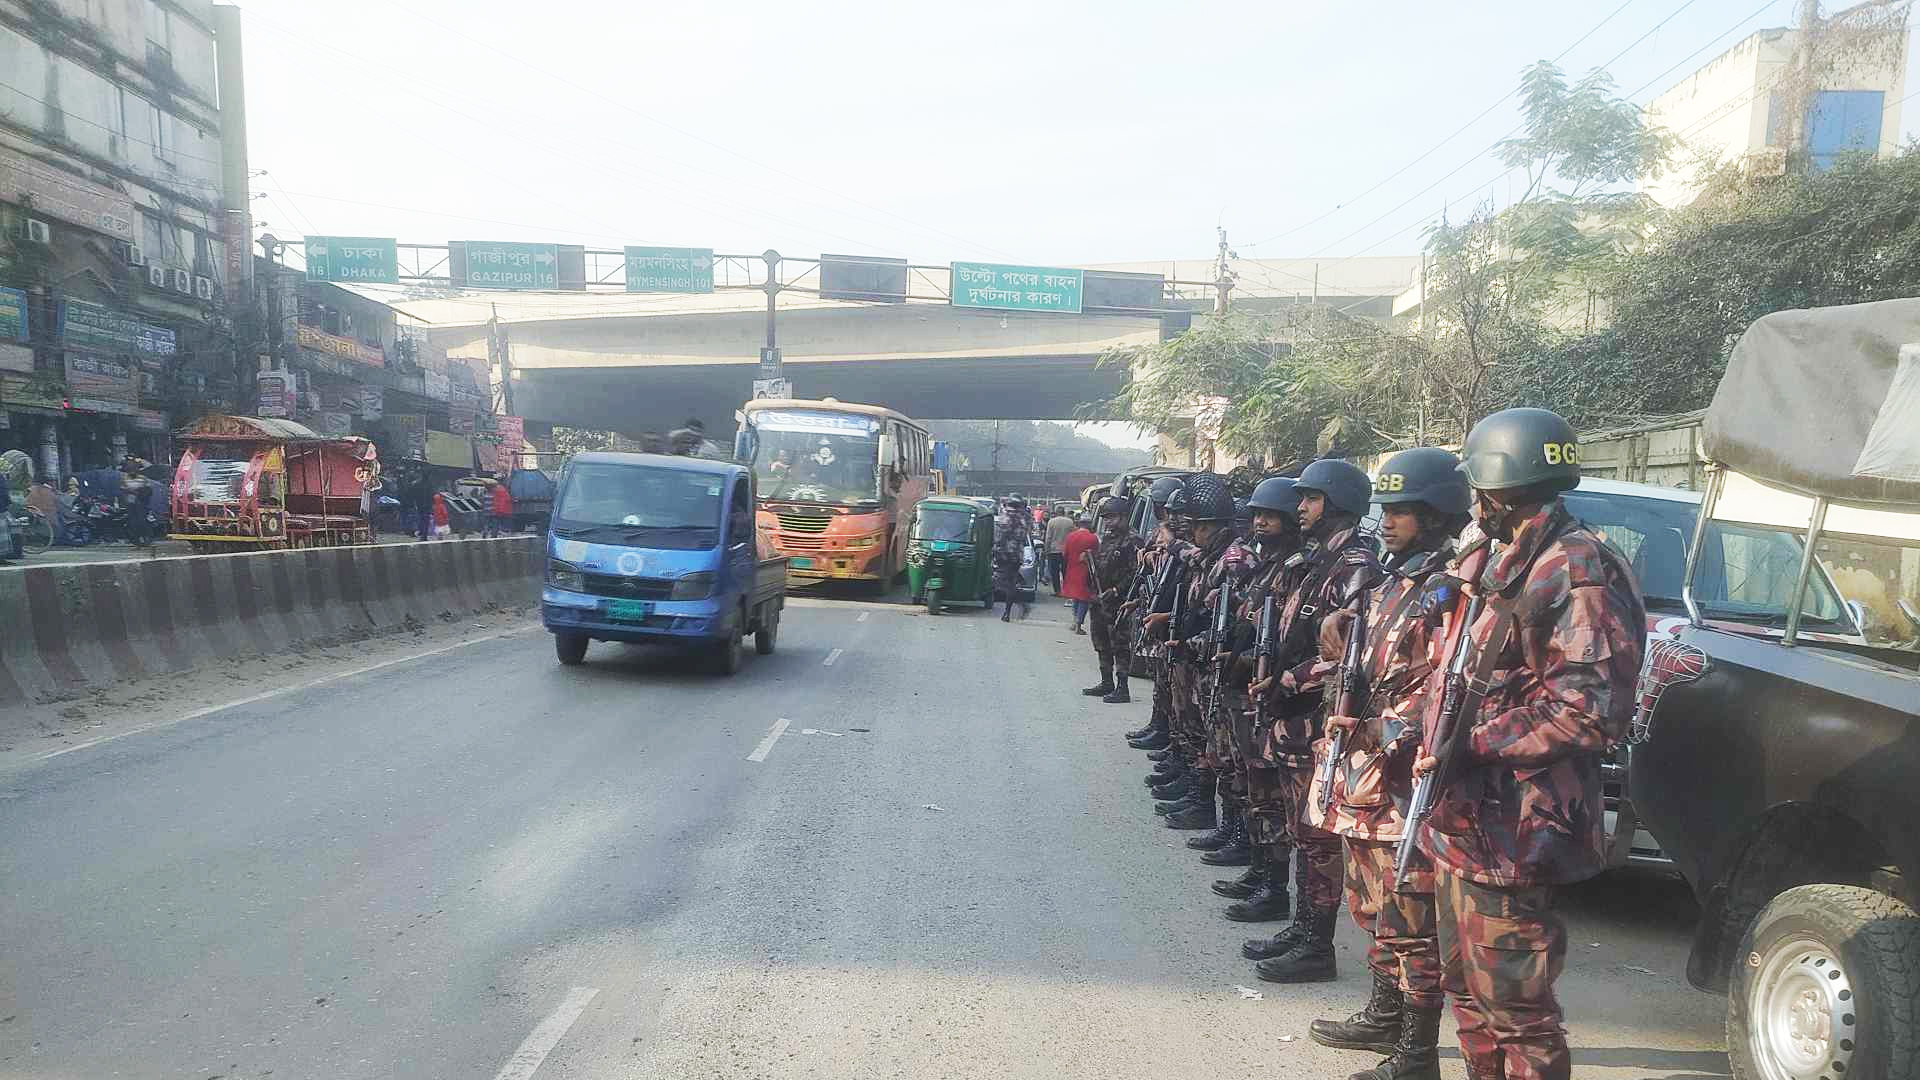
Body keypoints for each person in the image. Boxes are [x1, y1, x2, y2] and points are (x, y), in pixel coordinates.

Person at [1412, 408, 1645, 1080]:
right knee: (1467, 988)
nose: (1470, 503)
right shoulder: (1495, 558)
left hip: (1518, 829)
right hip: (1462, 820)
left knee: (1518, 1012)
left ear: (1500, 487)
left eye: (1476, 489)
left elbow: (1590, 709)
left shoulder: (1576, 571)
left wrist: (1471, 743)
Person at [1306, 448, 1471, 1080]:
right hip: (1364, 774)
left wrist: (1385, 727)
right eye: (1388, 509)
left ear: (1436, 515)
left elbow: (1450, 689)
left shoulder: (1452, 589)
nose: (1389, 521)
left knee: (1410, 915)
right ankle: (1382, 1014)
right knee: (1370, 903)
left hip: (1408, 780)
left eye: (1403, 511)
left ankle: (1418, 1051)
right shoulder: (1389, 581)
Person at [1246, 456, 1382, 985]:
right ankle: (1303, 929)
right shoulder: (1315, 560)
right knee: (1302, 833)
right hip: (1293, 721)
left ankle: (1316, 944)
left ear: (1338, 504)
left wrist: (1287, 680)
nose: (1299, 508)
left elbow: (1352, 649)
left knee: (1318, 838)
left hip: (1319, 721)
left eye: (1311, 499)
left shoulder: (1354, 566)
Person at [1200, 476, 1303, 908]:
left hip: (1271, 695)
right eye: (1256, 515)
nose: (1260, 523)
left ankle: (1274, 887)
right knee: (1253, 786)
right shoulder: (1266, 565)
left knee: (1270, 795)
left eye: (1270, 516)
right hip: (1245, 687)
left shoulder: (1295, 569)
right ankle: (1260, 871)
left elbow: (1294, 639)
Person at [1124, 476, 1189, 752]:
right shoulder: (1160, 533)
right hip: (1156, 607)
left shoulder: (1183, 540)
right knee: (1161, 678)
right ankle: (1158, 724)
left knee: (1173, 685)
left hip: (1173, 619)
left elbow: (1178, 577)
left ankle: (1167, 733)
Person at [1084, 495, 1142, 703]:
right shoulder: (1108, 537)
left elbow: (1136, 573)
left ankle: (1122, 687)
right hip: (1100, 599)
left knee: (1120, 645)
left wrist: (1117, 590)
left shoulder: (1132, 540)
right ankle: (1106, 681)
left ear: (1123, 517)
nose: (1108, 521)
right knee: (1101, 641)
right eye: (1106, 518)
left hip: (1119, 602)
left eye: (1112, 517)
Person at [992, 497, 1032, 621]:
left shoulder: (1005, 518)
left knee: (999, 579)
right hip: (1017, 555)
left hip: (1004, 554)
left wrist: (995, 549)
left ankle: (1009, 605)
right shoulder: (1024, 519)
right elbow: (1024, 535)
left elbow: (999, 537)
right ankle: (1008, 612)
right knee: (1011, 583)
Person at [1059, 514, 1097, 633]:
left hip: (1071, 569)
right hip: (1086, 572)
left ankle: (1075, 620)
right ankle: (1078, 624)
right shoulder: (1093, 538)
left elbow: (1065, 554)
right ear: (1089, 524)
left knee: (1075, 597)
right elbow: (1097, 556)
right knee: (1084, 598)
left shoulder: (1070, 536)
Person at [1044, 507, 1074, 595]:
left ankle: (1057, 591)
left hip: (1054, 550)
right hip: (1066, 550)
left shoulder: (1051, 522)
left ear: (1056, 513)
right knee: (1066, 571)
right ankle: (1067, 590)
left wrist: (1046, 549)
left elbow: (1048, 537)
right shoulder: (1070, 522)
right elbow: (1073, 536)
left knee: (1054, 571)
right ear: (1064, 513)